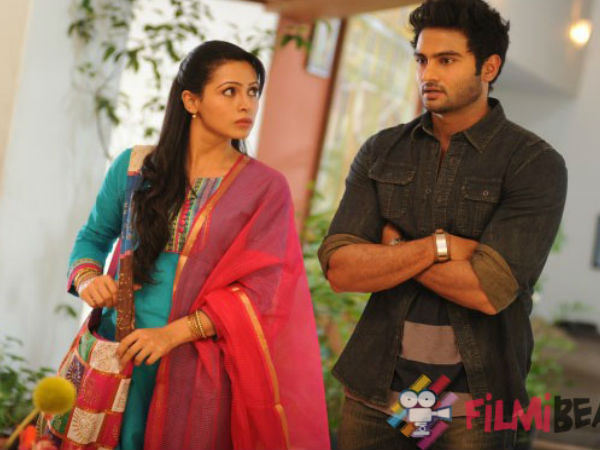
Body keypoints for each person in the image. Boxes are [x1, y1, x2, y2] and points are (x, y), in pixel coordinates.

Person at [318, 1, 567, 449]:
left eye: (446, 60)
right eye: (422, 59)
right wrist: (440, 246)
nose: (428, 74)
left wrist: (394, 250)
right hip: (377, 390)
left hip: (473, 402)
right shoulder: (381, 150)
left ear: (489, 66)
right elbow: (341, 269)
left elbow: (488, 290)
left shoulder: (533, 163)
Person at [64, 41, 329, 450]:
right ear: (191, 100)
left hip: (196, 362)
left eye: (253, 91)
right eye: (230, 91)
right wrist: (87, 280)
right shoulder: (134, 167)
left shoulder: (264, 188)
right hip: (117, 350)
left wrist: (172, 335)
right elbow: (94, 236)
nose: (247, 104)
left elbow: (263, 290)